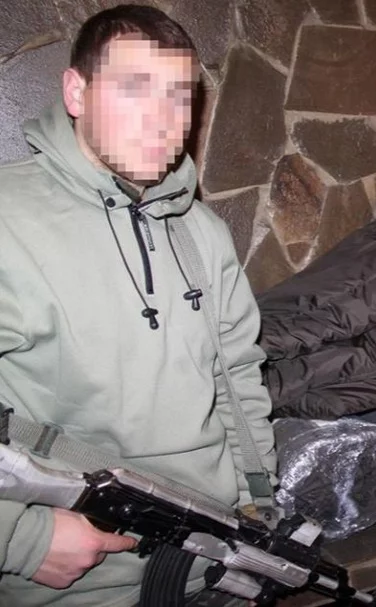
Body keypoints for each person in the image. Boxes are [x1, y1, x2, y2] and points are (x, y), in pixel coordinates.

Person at [0, 5, 275, 606]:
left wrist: (260, 502)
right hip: (75, 580)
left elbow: (237, 377)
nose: (162, 121)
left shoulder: (203, 232)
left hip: (212, 560)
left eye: (179, 97)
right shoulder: (6, 217)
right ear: (77, 92)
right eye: (134, 89)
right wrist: (18, 538)